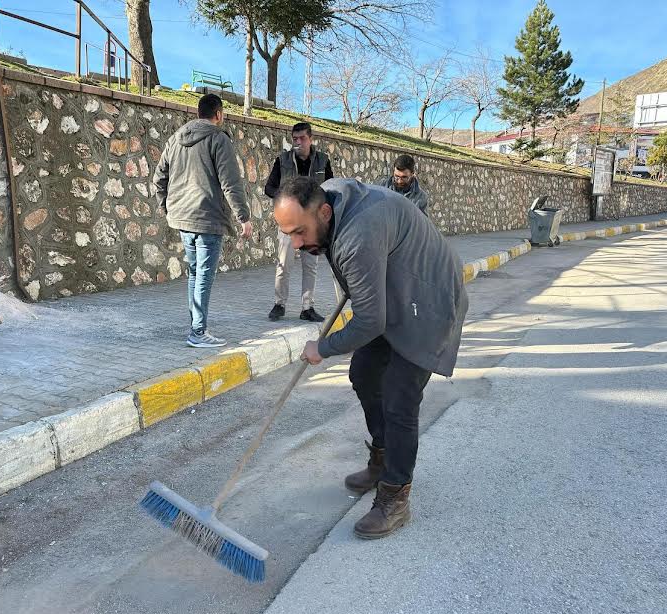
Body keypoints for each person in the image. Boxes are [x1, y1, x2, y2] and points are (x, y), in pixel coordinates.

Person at [273, 176, 468, 539]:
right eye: (289, 235)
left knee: (399, 396)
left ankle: (395, 496)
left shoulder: (357, 234)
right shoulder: (330, 204)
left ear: (324, 212)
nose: (297, 244)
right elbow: (365, 295)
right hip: (395, 292)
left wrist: (323, 347)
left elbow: (368, 321)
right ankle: (382, 458)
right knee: (364, 373)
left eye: (300, 232)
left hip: (430, 302)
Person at [152, 94, 252, 348]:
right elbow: (230, 183)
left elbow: (159, 177)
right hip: (208, 218)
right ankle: (198, 332)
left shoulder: (176, 139)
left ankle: (196, 326)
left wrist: (165, 206)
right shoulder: (219, 140)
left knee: (194, 274)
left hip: (183, 218)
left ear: (199, 113)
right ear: (218, 114)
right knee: (204, 276)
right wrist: (244, 217)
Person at [264, 122, 333, 322]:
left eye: (302, 138)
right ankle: (279, 304)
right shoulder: (282, 160)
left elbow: (330, 188)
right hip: (289, 224)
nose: (298, 142)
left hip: (312, 224)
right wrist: (286, 200)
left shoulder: (322, 161)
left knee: (310, 265)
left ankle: (307, 307)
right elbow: (269, 187)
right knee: (283, 263)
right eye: (295, 139)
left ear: (310, 139)